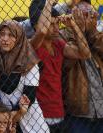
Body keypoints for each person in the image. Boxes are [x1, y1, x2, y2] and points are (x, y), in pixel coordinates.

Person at [29, 0, 91, 132]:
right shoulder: (32, 46)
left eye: (57, 22)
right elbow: (41, 31)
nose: (57, 28)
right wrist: (48, 4)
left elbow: (85, 53)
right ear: (35, 26)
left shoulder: (58, 44)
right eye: (51, 24)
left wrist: (74, 26)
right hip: (39, 116)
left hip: (59, 113)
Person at [0, 19, 51, 133]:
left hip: (31, 124)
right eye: (2, 34)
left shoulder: (29, 60)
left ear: (19, 37)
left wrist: (14, 115)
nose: (5, 39)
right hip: (4, 126)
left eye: (11, 35)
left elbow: (29, 95)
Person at [60, 1, 103, 133]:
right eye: (82, 14)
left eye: (90, 14)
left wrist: (91, 32)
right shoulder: (63, 35)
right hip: (78, 111)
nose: (87, 18)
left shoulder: (95, 34)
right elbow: (66, 64)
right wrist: (76, 30)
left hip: (100, 109)